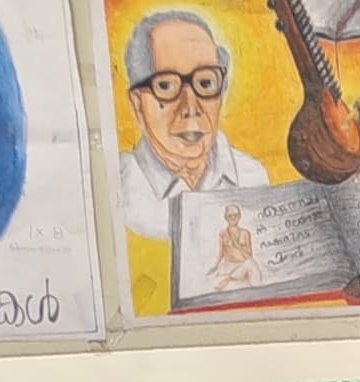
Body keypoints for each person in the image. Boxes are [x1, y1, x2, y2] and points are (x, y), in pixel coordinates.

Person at [115, 7, 272, 242]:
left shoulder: (252, 177)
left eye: (206, 83)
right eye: (166, 86)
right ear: (138, 104)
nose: (190, 107)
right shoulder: (119, 187)